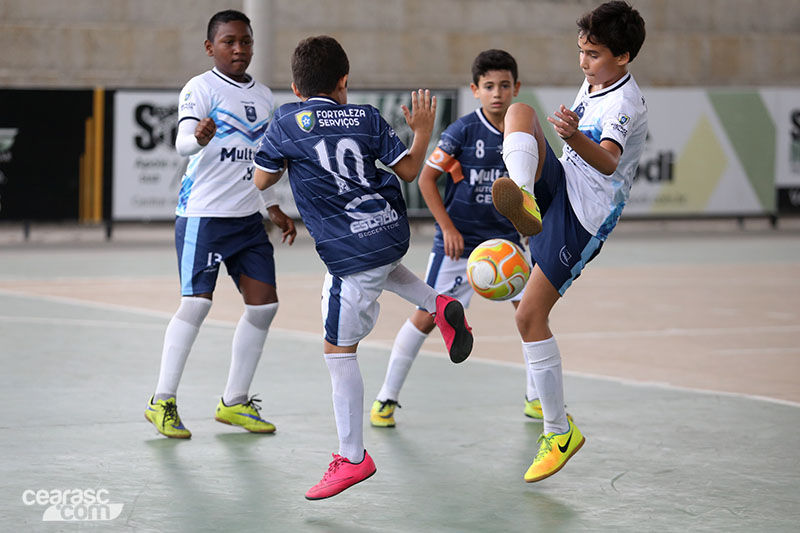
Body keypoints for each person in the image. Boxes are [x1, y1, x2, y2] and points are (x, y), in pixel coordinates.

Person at [253, 35, 474, 500]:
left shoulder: (286, 122)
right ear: (344, 82)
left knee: (339, 352)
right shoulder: (368, 117)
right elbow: (411, 171)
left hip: (347, 251)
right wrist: (421, 130)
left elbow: (261, 177)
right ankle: (441, 303)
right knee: (385, 268)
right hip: (389, 230)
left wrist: (289, 160)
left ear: (295, 88)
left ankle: (352, 457)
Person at [490, 0, 647, 482]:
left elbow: (605, 162)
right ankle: (523, 194)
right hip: (559, 187)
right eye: (581, 51)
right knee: (520, 110)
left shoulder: (623, 103)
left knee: (528, 315)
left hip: (585, 214)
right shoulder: (596, 80)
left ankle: (559, 431)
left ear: (622, 57)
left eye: (594, 54)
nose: (584, 62)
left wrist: (574, 136)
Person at [369, 49, 545, 428]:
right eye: (488, 86)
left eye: (504, 85)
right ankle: (386, 397)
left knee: (530, 315)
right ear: (475, 90)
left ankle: (536, 399)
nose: (497, 93)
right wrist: (447, 227)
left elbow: (535, 185)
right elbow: (428, 178)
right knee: (426, 316)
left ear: (516, 88)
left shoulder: (524, 134)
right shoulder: (463, 131)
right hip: (459, 244)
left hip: (507, 245)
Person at [144, 9, 296, 439]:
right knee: (196, 304)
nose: (239, 49)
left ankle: (234, 402)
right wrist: (199, 139)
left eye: (245, 41)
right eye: (229, 41)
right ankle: (162, 401)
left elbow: (262, 161)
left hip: (248, 220)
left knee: (264, 306)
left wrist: (272, 206)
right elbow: (181, 143)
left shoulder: (265, 97)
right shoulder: (200, 88)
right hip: (203, 217)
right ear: (211, 47)